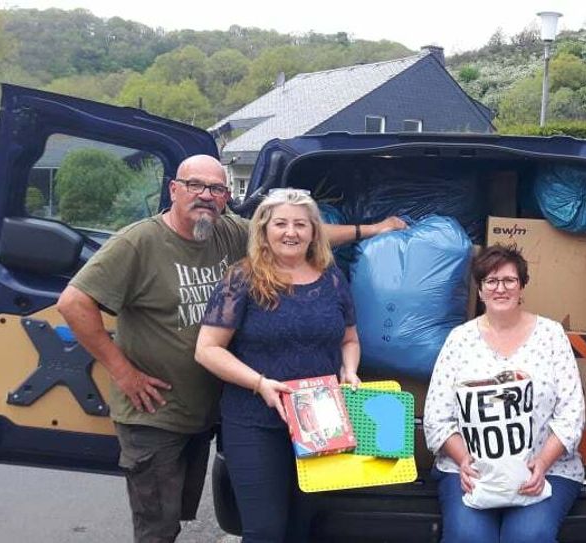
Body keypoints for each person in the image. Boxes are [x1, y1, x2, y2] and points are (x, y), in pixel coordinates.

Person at [57, 155, 403, 542]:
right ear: (173, 189)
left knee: (299, 525)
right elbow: (73, 302)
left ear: (225, 197)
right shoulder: (147, 244)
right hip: (160, 409)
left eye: (216, 188)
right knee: (161, 525)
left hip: (260, 414)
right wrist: (123, 372)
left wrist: (375, 229)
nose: (205, 195)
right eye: (195, 185)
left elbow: (306, 236)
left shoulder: (240, 237)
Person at [195, 188, 359, 542]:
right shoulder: (242, 278)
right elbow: (207, 349)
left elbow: (349, 339)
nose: (291, 232)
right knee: (265, 531)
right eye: (281, 223)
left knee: (303, 529)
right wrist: (259, 383)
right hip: (255, 421)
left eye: (301, 224)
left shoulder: (331, 278)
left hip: (319, 423)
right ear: (264, 230)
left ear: (314, 231)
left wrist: (349, 370)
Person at [423, 244, 586, 543]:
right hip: (472, 472)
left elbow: (571, 414)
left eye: (509, 280)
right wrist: (464, 462)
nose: (501, 288)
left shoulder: (551, 335)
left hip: (545, 470)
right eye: (491, 281)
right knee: (468, 537)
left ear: (522, 286)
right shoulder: (459, 340)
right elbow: (437, 418)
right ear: (480, 289)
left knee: (528, 536)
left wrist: (543, 464)